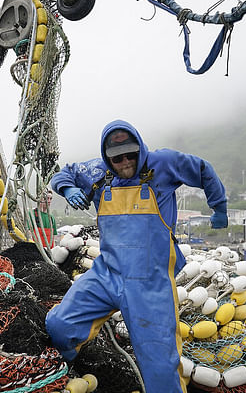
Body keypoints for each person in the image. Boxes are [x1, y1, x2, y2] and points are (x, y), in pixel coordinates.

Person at [45, 120, 228, 393]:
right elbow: (64, 174)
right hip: (106, 273)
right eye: (117, 157)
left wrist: (219, 207)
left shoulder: (163, 164)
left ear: (140, 148)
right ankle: (68, 372)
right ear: (108, 158)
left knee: (160, 363)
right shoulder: (96, 172)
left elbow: (203, 170)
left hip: (150, 282)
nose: (125, 161)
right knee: (60, 325)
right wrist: (67, 189)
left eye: (131, 153)